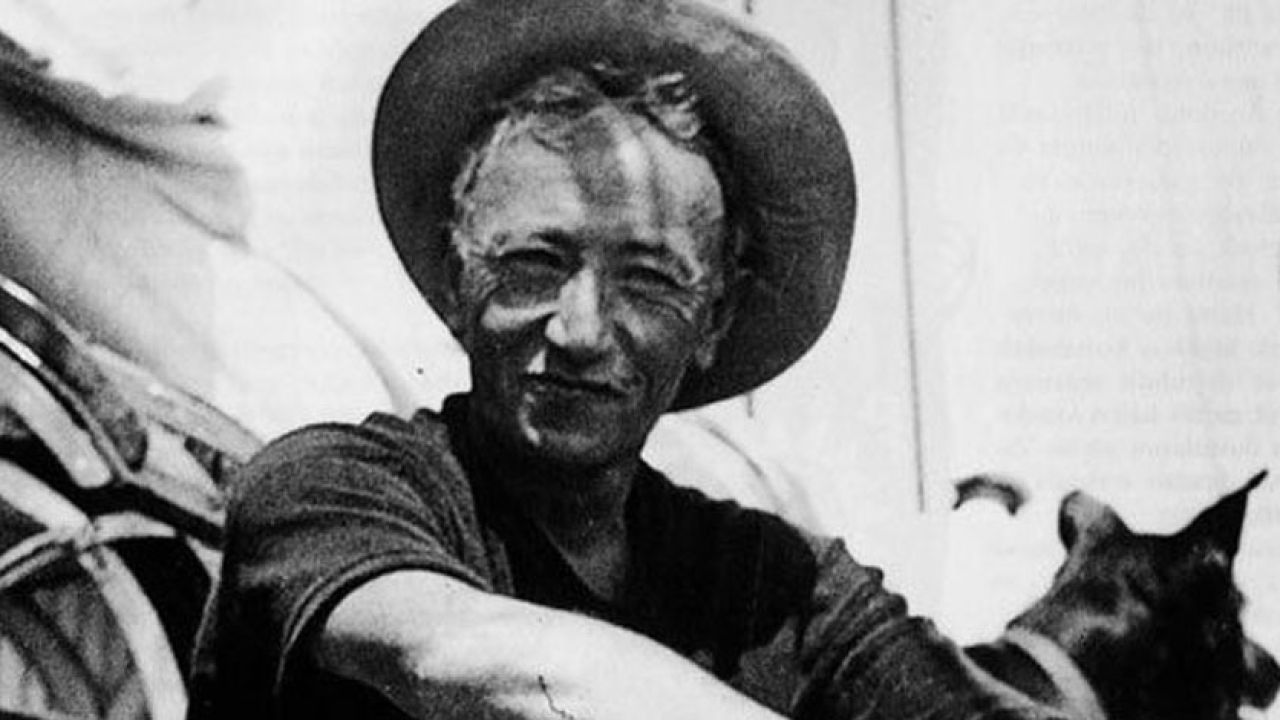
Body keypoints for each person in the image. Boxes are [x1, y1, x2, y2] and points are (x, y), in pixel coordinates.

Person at [188, 1, 1065, 718]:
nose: (580, 331)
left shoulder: (776, 583)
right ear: (458, 282)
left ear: (713, 320)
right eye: (534, 263)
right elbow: (466, 662)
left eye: (648, 282)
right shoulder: (330, 490)